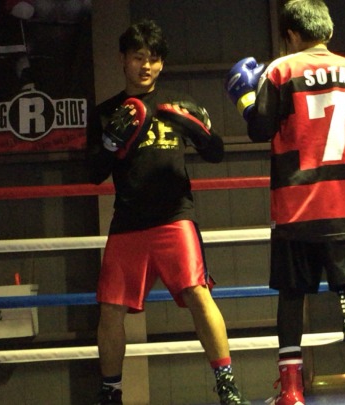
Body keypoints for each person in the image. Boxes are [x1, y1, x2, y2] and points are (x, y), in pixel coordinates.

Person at [224, 1, 345, 404]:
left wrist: (245, 100)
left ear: (292, 35)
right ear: (327, 30)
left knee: (292, 295)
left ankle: (292, 393)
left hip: (296, 204)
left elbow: (260, 128)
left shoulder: (280, 70)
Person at [88, 19, 250, 405]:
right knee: (110, 309)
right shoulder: (106, 112)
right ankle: (110, 393)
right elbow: (94, 174)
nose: (146, 65)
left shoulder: (178, 104)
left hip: (175, 217)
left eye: (153, 58)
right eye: (138, 56)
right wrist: (110, 143)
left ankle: (228, 387)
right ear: (123, 59)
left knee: (198, 294)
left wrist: (197, 129)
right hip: (128, 221)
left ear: (161, 63)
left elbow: (216, 153)